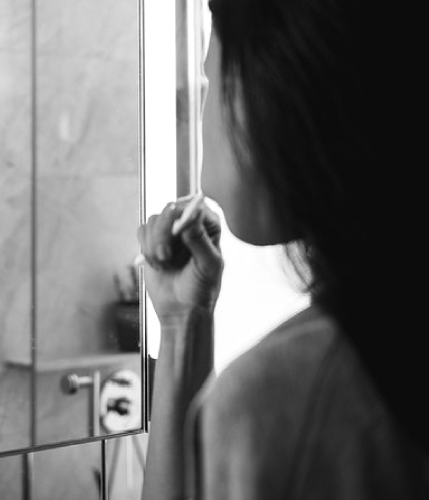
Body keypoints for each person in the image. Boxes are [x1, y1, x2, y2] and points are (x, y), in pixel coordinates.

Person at [137, 0, 429, 498]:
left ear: (277, 95)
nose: (200, 117)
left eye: (209, 83)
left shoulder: (284, 400)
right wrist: (184, 322)